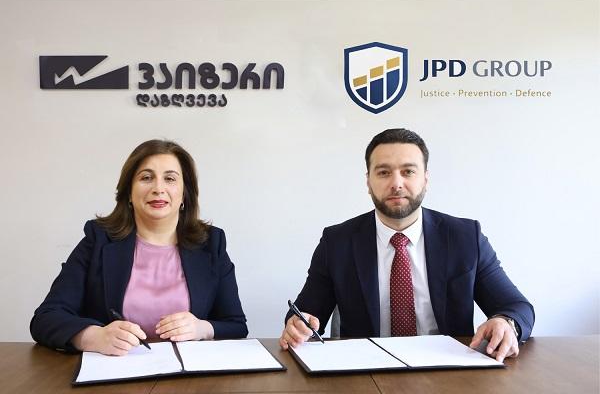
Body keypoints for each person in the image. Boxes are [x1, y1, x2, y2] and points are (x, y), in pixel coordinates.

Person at [279, 128, 534, 362]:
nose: (396, 183)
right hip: (365, 370)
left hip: (449, 370)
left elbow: (517, 307)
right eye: (384, 172)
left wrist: (506, 323)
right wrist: (299, 326)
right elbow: (305, 315)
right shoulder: (337, 242)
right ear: (368, 182)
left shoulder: (465, 237)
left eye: (408, 171)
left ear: (425, 179)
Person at [31, 139, 248, 355]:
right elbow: (46, 318)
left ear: (184, 194)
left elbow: (236, 325)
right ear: (128, 192)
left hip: (187, 372)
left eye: (170, 179)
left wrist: (203, 328)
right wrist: (94, 336)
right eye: (146, 178)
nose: (158, 189)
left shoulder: (211, 243)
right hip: (116, 369)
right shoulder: (98, 240)